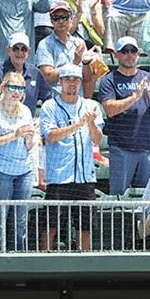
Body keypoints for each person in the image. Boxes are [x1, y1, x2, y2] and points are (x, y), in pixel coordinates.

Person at [38, 62, 104, 252]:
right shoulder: (50, 106)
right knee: (51, 225)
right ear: (60, 82)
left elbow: (97, 138)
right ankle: (44, 261)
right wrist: (77, 124)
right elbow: (50, 136)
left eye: (76, 79)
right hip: (59, 177)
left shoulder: (91, 106)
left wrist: (90, 123)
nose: (72, 83)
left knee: (86, 226)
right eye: (68, 79)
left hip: (84, 177)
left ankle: (84, 263)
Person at [0, 69, 38, 252]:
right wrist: (13, 135)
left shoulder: (26, 111)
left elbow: (29, 145)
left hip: (24, 170)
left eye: (21, 88)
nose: (17, 92)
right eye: (13, 87)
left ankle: (18, 260)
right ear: (3, 88)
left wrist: (30, 137)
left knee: (20, 221)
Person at [99, 36, 150, 195]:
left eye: (133, 50)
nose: (129, 54)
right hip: (121, 148)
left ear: (138, 54)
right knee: (119, 197)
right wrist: (135, 97)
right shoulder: (109, 80)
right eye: (125, 51)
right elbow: (110, 109)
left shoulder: (149, 78)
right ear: (117, 54)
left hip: (147, 148)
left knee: (149, 197)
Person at [0, 31, 50, 106]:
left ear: (29, 52)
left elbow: (47, 98)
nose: (20, 53)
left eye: (24, 49)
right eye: (15, 49)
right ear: (8, 51)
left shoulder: (35, 73)